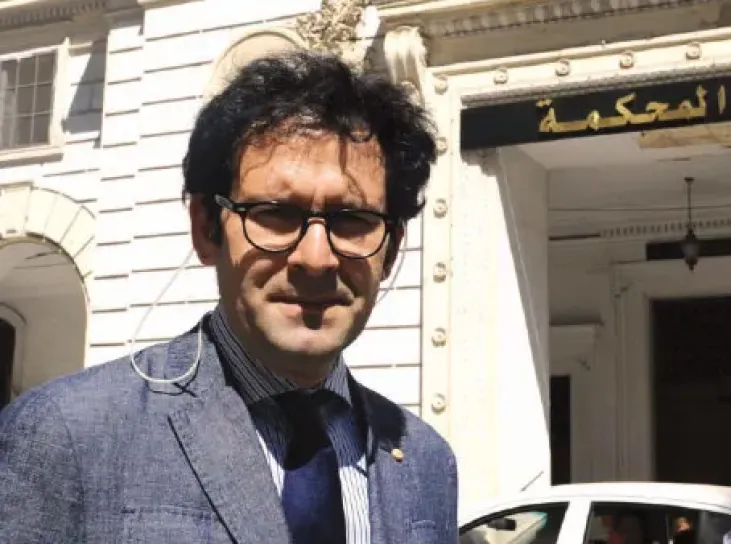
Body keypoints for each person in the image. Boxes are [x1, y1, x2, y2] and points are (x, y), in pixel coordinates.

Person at [0, 51, 457, 543]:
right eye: (276, 214)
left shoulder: (425, 462)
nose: (316, 258)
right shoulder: (70, 434)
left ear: (390, 250)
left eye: (352, 221)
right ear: (206, 228)